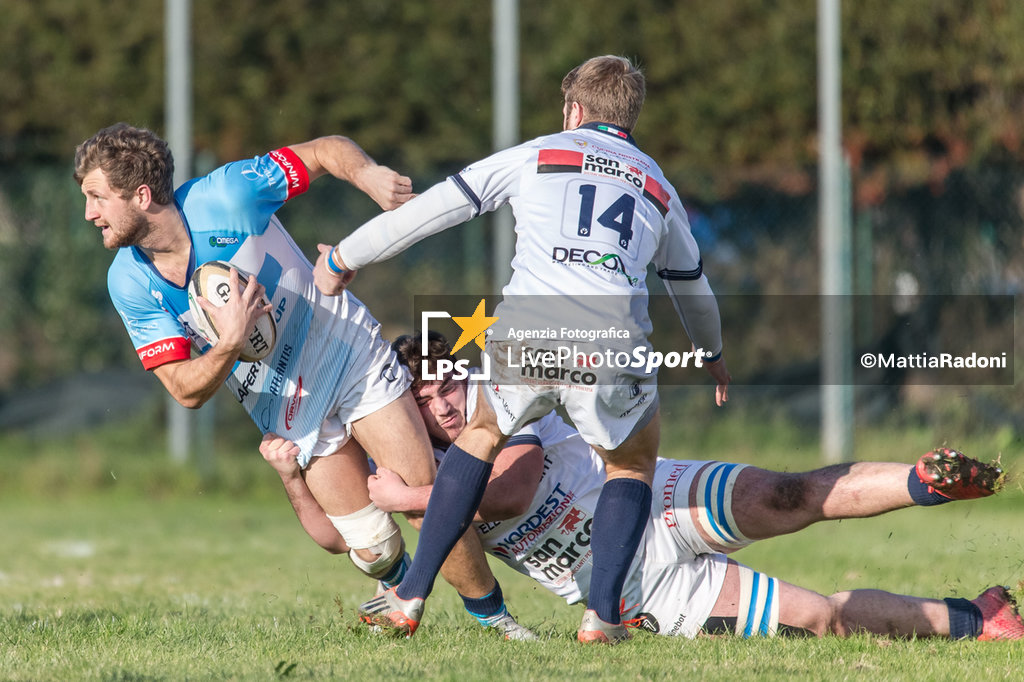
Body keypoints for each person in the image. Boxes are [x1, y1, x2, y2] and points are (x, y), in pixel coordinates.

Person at [313, 55, 731, 642]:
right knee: (630, 463)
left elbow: (432, 212)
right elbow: (690, 285)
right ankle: (603, 618)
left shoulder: (535, 154)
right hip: (608, 341)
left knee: (482, 435)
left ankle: (409, 596)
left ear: (574, 111)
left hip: (530, 329)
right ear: (628, 118)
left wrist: (341, 258)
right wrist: (710, 353)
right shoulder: (657, 183)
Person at [259, 330, 1021, 642]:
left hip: (647, 494)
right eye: (422, 400)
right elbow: (338, 535)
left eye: (445, 383)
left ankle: (924, 481)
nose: (442, 402)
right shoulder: (415, 467)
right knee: (818, 619)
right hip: (628, 586)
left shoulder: (494, 407)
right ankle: (973, 619)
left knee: (785, 495)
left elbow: (514, 489)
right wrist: (296, 477)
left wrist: (410, 500)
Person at [73, 123, 532, 639]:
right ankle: (396, 586)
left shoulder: (226, 193)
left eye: (96, 198)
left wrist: (369, 176)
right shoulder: (128, 280)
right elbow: (185, 390)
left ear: (140, 194)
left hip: (343, 348)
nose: (89, 213)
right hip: (285, 405)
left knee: (419, 497)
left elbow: (321, 151)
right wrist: (230, 340)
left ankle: (497, 621)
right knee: (372, 547)